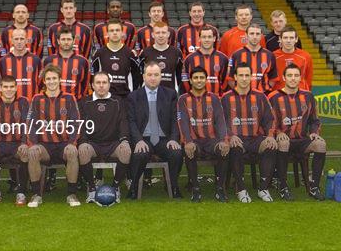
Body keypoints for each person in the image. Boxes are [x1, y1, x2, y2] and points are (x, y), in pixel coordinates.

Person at [268, 64, 326, 201]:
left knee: (321, 144)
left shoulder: (308, 96)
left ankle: (314, 187)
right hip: (282, 139)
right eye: (289, 75)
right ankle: (283, 187)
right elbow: (267, 121)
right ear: (283, 78)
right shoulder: (273, 97)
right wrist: (277, 132)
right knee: (283, 142)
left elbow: (315, 120)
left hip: (302, 140)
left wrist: (314, 132)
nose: (293, 79)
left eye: (296, 75)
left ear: (300, 78)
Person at [26, 64, 82, 207]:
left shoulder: (69, 98)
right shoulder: (37, 99)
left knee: (72, 151)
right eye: (48, 79)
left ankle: (71, 194)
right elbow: (30, 123)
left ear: (59, 80)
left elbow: (76, 123)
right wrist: (33, 144)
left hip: (64, 144)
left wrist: (72, 143)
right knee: (32, 151)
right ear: (44, 81)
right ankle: (37, 195)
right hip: (44, 146)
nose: (51, 81)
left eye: (54, 78)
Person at [221, 62, 278, 203]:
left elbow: (270, 119)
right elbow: (219, 122)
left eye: (247, 75)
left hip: (255, 138)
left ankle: (263, 188)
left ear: (251, 77)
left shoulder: (260, 97)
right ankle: (241, 189)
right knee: (235, 147)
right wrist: (230, 136)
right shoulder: (226, 98)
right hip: (236, 139)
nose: (244, 79)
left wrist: (270, 136)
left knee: (270, 145)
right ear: (235, 77)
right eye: (241, 75)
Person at [126, 61, 184, 199]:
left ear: (161, 76)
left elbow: (175, 120)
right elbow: (131, 122)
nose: (153, 78)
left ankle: (173, 186)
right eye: (150, 75)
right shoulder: (133, 96)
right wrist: (138, 140)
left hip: (164, 139)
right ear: (144, 76)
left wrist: (174, 139)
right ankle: (133, 188)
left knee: (176, 153)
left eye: (156, 75)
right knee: (139, 154)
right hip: (144, 139)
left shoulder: (170, 94)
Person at [177, 66, 230, 202]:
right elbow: (182, 122)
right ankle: (195, 189)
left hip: (211, 140)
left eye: (201, 78)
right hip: (193, 140)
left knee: (223, 149)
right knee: (190, 150)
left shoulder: (214, 98)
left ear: (206, 80)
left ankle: (219, 189)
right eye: (196, 78)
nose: (199, 80)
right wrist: (187, 141)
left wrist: (223, 140)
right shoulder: (183, 99)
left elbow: (220, 120)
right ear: (190, 80)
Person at [78, 72, 131, 203]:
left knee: (126, 150)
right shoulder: (84, 102)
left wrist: (124, 140)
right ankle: (91, 188)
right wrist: (83, 141)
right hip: (93, 144)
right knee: (83, 149)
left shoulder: (118, 101)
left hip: (113, 143)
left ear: (109, 84)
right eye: (98, 83)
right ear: (92, 85)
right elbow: (81, 125)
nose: (101, 86)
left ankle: (115, 186)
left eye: (104, 83)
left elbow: (123, 122)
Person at [0, 75, 31, 206]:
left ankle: (21, 192)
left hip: (16, 143)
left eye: (11, 87)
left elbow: (28, 124)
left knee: (25, 152)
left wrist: (24, 143)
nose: (8, 90)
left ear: (16, 88)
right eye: (5, 87)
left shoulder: (23, 102)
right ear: (0, 88)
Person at [91, 19, 141, 98]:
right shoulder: (99, 53)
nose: (114, 33)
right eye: (111, 30)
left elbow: (136, 76)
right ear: (107, 33)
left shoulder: (130, 53)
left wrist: (132, 94)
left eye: (117, 30)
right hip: (105, 97)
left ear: (122, 33)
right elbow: (93, 76)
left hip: (125, 98)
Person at [228, 24, 279, 94]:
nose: (254, 37)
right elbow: (230, 78)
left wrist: (265, 91)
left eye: (257, 34)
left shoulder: (270, 55)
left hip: (263, 96)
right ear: (246, 35)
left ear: (261, 36)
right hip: (242, 95)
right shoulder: (236, 55)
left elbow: (273, 78)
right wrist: (239, 92)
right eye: (252, 34)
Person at [43, 27, 90, 100]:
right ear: (58, 41)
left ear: (74, 40)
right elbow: (45, 83)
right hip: (53, 102)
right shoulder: (49, 60)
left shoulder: (83, 61)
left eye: (69, 39)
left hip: (76, 103)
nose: (66, 42)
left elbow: (85, 85)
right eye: (63, 39)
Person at [181, 26, 229, 96]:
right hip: (195, 99)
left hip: (216, 100)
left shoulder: (223, 58)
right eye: (204, 37)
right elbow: (185, 81)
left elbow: (225, 82)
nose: (207, 40)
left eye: (209, 37)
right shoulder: (189, 59)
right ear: (199, 39)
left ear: (214, 39)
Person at [0, 29, 42, 101]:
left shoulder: (36, 60)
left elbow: (40, 83)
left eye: (22, 39)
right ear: (11, 40)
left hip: (31, 104)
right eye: (16, 39)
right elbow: (0, 84)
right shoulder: (3, 61)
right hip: (10, 104)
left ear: (26, 40)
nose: (19, 42)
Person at [139, 22, 183, 90]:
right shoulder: (145, 52)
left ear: (168, 34)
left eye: (163, 32)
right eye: (157, 33)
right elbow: (140, 75)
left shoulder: (176, 52)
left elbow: (179, 76)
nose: (161, 35)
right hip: (150, 95)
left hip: (170, 95)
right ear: (153, 35)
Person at [273, 26, 313, 91]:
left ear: (296, 39)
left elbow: (308, 79)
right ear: (280, 39)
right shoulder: (273, 56)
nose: (288, 41)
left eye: (291, 38)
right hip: (279, 95)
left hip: (300, 95)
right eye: (285, 38)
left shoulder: (306, 56)